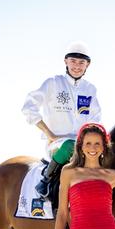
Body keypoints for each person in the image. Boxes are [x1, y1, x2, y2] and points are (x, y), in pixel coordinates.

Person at [22, 40, 102, 199]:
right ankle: (45, 181)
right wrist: (49, 134)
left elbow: (96, 119)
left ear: (88, 65)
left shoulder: (90, 89)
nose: (77, 66)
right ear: (66, 61)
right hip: (58, 144)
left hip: (83, 143)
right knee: (69, 145)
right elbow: (28, 107)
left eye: (81, 62)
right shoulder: (52, 83)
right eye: (73, 61)